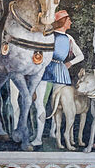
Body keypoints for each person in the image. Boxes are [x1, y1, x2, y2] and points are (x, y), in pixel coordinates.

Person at [30, 10, 83, 146]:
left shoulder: (69, 38)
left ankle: (54, 133)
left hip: (61, 71)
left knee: (57, 105)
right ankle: (38, 137)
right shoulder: (49, 36)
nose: (71, 22)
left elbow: (80, 56)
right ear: (63, 21)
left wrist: (70, 63)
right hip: (46, 69)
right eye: (69, 19)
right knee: (40, 103)